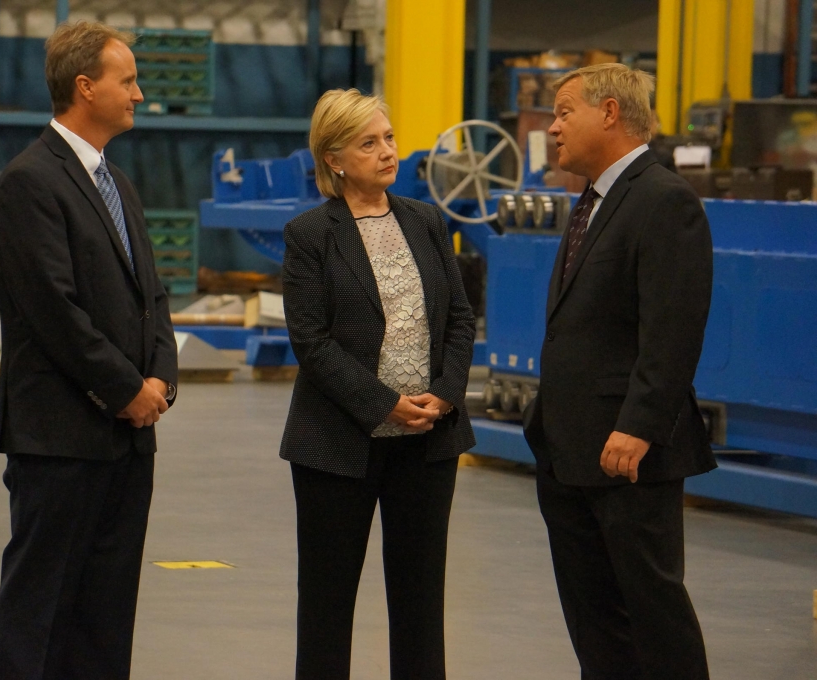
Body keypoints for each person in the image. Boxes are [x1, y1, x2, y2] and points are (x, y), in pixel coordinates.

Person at [0, 21, 178, 680]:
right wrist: (127, 390)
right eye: (128, 82)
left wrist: (161, 379)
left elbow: (152, 296)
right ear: (84, 86)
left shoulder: (117, 186)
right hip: (61, 440)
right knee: (39, 610)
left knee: (105, 615)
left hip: (126, 443)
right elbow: (56, 314)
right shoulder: (29, 183)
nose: (140, 95)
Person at [522, 63, 714, 680]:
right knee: (594, 617)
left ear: (608, 113)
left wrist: (639, 425)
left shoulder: (664, 200)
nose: (553, 128)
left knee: (652, 612)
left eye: (563, 113)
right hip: (569, 447)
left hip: (627, 452)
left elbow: (673, 329)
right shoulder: (592, 202)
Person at [280, 88, 476, 680]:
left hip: (428, 443)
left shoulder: (425, 220)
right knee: (327, 606)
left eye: (389, 138)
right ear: (334, 158)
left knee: (421, 604)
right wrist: (384, 405)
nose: (388, 152)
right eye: (370, 143)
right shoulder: (311, 233)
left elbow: (460, 319)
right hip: (338, 445)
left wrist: (444, 392)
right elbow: (310, 340)